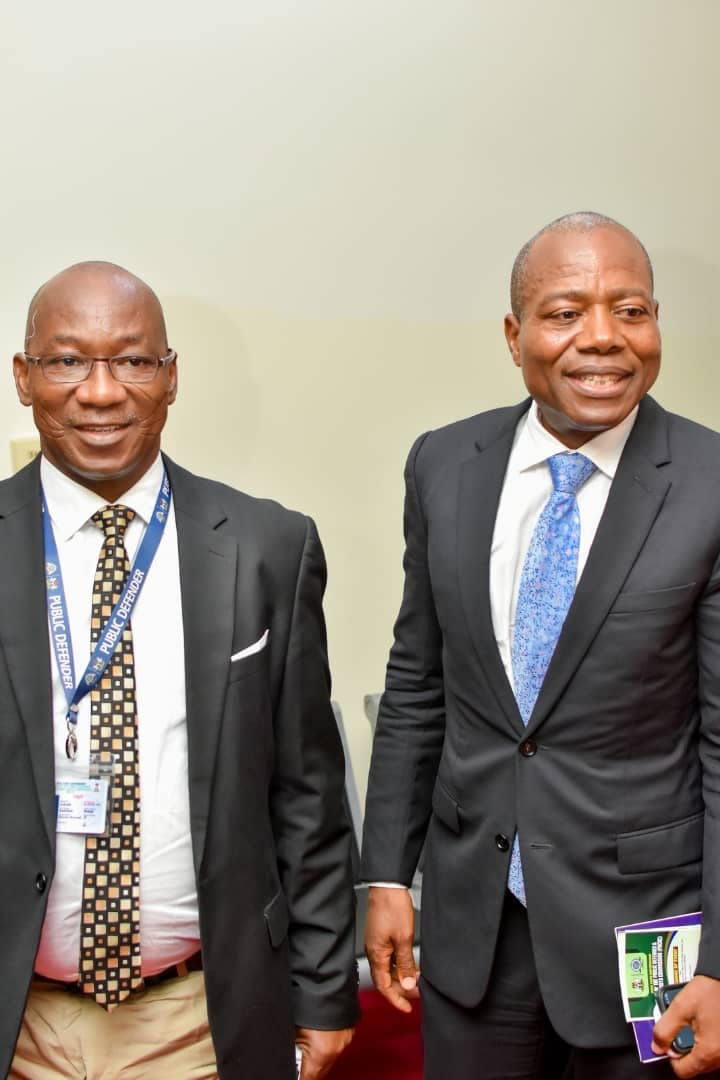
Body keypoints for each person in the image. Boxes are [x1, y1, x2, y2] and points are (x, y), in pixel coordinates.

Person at [361, 211, 720, 1079]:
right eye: (565, 313)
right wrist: (385, 876)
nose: (602, 338)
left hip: (647, 932)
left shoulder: (709, 483)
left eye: (630, 311)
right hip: (472, 925)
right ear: (514, 334)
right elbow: (417, 684)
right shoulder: (443, 464)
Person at [1, 261, 359, 1079]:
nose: (101, 392)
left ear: (170, 377)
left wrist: (324, 991)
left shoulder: (267, 548)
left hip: (199, 1023)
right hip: (16, 1023)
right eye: (67, 361)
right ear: (24, 378)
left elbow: (308, 795)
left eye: (132, 360)